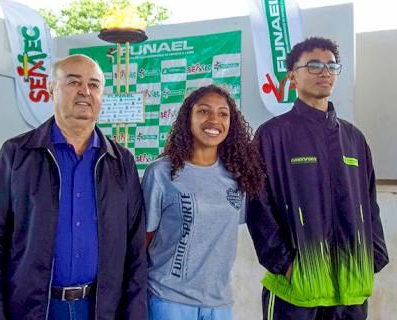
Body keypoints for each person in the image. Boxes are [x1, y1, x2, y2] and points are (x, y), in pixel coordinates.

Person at [0, 54, 146, 320]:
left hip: (99, 309)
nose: (85, 92)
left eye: (94, 85)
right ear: (52, 88)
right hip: (32, 310)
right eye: (74, 82)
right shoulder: (17, 154)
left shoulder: (121, 162)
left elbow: (135, 252)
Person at [247, 37, 389, 320]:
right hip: (297, 290)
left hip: (351, 290)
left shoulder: (354, 139)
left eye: (331, 65)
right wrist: (285, 265)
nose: (324, 71)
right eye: (313, 65)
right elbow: (258, 205)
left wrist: (374, 255)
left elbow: (369, 204)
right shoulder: (273, 135)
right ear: (292, 76)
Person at [142, 85, 265, 320]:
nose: (214, 120)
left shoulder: (238, 176)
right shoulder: (161, 173)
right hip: (168, 299)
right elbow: (144, 241)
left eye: (223, 113)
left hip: (219, 303)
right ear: (188, 118)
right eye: (204, 111)